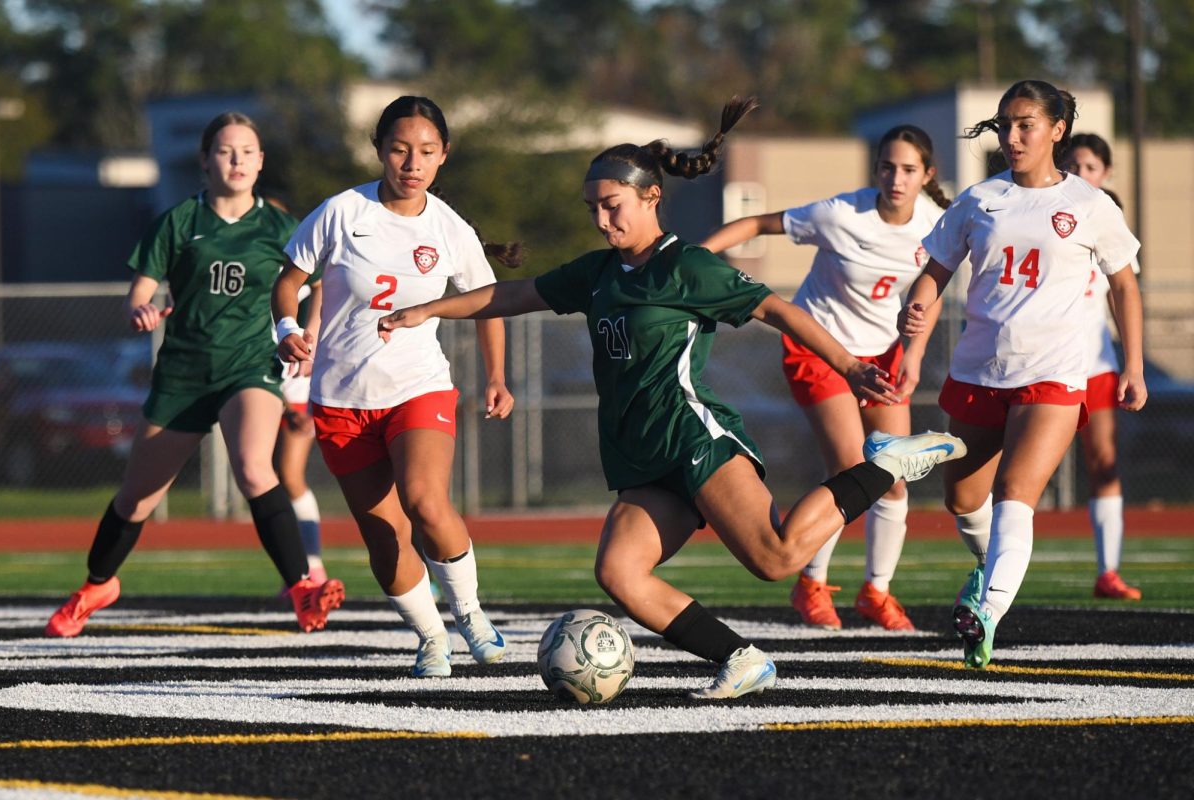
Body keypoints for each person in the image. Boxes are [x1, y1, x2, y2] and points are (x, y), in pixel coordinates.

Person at [377, 95, 965, 700]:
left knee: (778, 557)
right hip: (640, 455)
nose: (602, 221)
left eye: (613, 207)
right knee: (619, 573)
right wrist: (425, 310)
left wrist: (848, 364)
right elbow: (509, 296)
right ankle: (740, 658)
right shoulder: (598, 272)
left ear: (651, 198)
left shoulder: (684, 265)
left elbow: (774, 307)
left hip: (692, 438)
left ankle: (883, 464)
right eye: (593, 210)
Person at [45, 112, 346, 638]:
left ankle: (302, 586)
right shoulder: (179, 220)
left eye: (248, 152)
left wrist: (310, 331)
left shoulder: (281, 227)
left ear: (260, 163)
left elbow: (316, 283)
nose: (237, 161)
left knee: (255, 468)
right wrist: (140, 310)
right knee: (137, 497)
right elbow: (141, 290)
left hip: (250, 366)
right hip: (183, 374)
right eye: (226, 151)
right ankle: (97, 584)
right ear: (205, 160)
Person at [898, 80, 1146, 669]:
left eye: (1025, 124)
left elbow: (1124, 283)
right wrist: (917, 306)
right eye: (1004, 124)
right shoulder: (979, 199)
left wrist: (1132, 364)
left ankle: (988, 610)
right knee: (962, 499)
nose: (1011, 136)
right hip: (979, 371)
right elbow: (935, 271)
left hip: (1055, 375)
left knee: (1016, 494)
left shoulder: (1090, 204)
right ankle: (990, 569)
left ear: (1057, 130)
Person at [272, 96, 516, 679]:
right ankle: (432, 637)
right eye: (401, 149)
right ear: (380, 150)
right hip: (341, 401)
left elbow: (488, 302)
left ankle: (471, 612)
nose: (412, 162)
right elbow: (289, 283)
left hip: (418, 387)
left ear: (443, 157)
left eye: (427, 152)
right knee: (385, 536)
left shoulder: (450, 227)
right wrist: (286, 328)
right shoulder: (341, 211)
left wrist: (498, 377)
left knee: (425, 500)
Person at [701, 125, 950, 631]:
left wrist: (915, 353)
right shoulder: (841, 214)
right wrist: (692, 261)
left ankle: (876, 592)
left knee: (895, 474)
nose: (895, 179)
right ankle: (811, 584)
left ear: (927, 174)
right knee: (854, 464)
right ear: (875, 169)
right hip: (819, 348)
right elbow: (754, 224)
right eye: (887, 167)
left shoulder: (938, 224)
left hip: (881, 354)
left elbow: (933, 289)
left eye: (908, 170)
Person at [1063, 133, 1142, 600]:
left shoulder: (1107, 220)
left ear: (1106, 172)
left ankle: (1107, 571)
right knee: (1017, 470)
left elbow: (1123, 295)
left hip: (1093, 365)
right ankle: (990, 570)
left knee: (1103, 463)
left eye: (1089, 166)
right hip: (1045, 365)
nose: (1079, 174)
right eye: (1071, 165)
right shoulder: (1047, 216)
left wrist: (1133, 364)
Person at [275, 275, 329, 589]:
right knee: (271, 478)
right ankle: (299, 571)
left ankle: (312, 567)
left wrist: (313, 335)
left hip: (295, 382)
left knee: (290, 476)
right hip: (264, 382)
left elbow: (319, 283)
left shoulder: (291, 261)